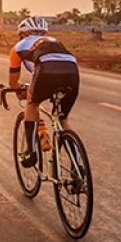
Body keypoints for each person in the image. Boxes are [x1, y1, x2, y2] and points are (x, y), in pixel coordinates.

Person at [8, 17, 80, 168]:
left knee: (32, 103)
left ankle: (30, 151)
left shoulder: (18, 47)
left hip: (46, 70)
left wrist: (20, 90)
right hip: (72, 70)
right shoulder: (54, 41)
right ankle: (77, 166)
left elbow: (13, 83)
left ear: (22, 35)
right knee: (63, 119)